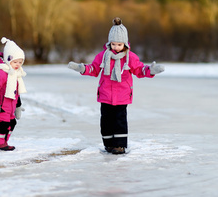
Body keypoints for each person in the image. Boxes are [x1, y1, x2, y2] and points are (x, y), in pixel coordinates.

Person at [67, 17, 165, 154]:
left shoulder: (130, 57)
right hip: (106, 94)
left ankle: (119, 145)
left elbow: (140, 70)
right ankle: (108, 144)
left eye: (119, 45)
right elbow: (94, 69)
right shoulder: (103, 56)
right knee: (106, 122)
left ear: (125, 44)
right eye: (113, 44)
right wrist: (82, 68)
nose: (116, 47)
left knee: (119, 121)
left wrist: (151, 70)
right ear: (109, 43)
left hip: (122, 95)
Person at [0, 37, 27, 151]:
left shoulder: (14, 74)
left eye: (20, 62)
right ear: (7, 59)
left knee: (12, 122)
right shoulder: (0, 73)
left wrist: (18, 106)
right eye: (15, 62)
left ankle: (0, 141)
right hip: (0, 106)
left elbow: (15, 93)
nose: (18, 65)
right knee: (2, 123)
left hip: (10, 107)